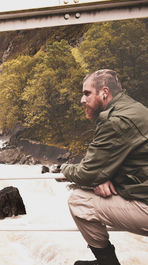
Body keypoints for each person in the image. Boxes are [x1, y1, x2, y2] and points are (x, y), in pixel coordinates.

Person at [60, 69, 148, 265]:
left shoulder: (115, 122)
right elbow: (133, 158)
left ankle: (107, 262)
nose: (82, 100)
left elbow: (85, 173)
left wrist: (64, 168)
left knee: (79, 201)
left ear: (104, 93)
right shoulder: (135, 108)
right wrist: (102, 176)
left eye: (86, 93)